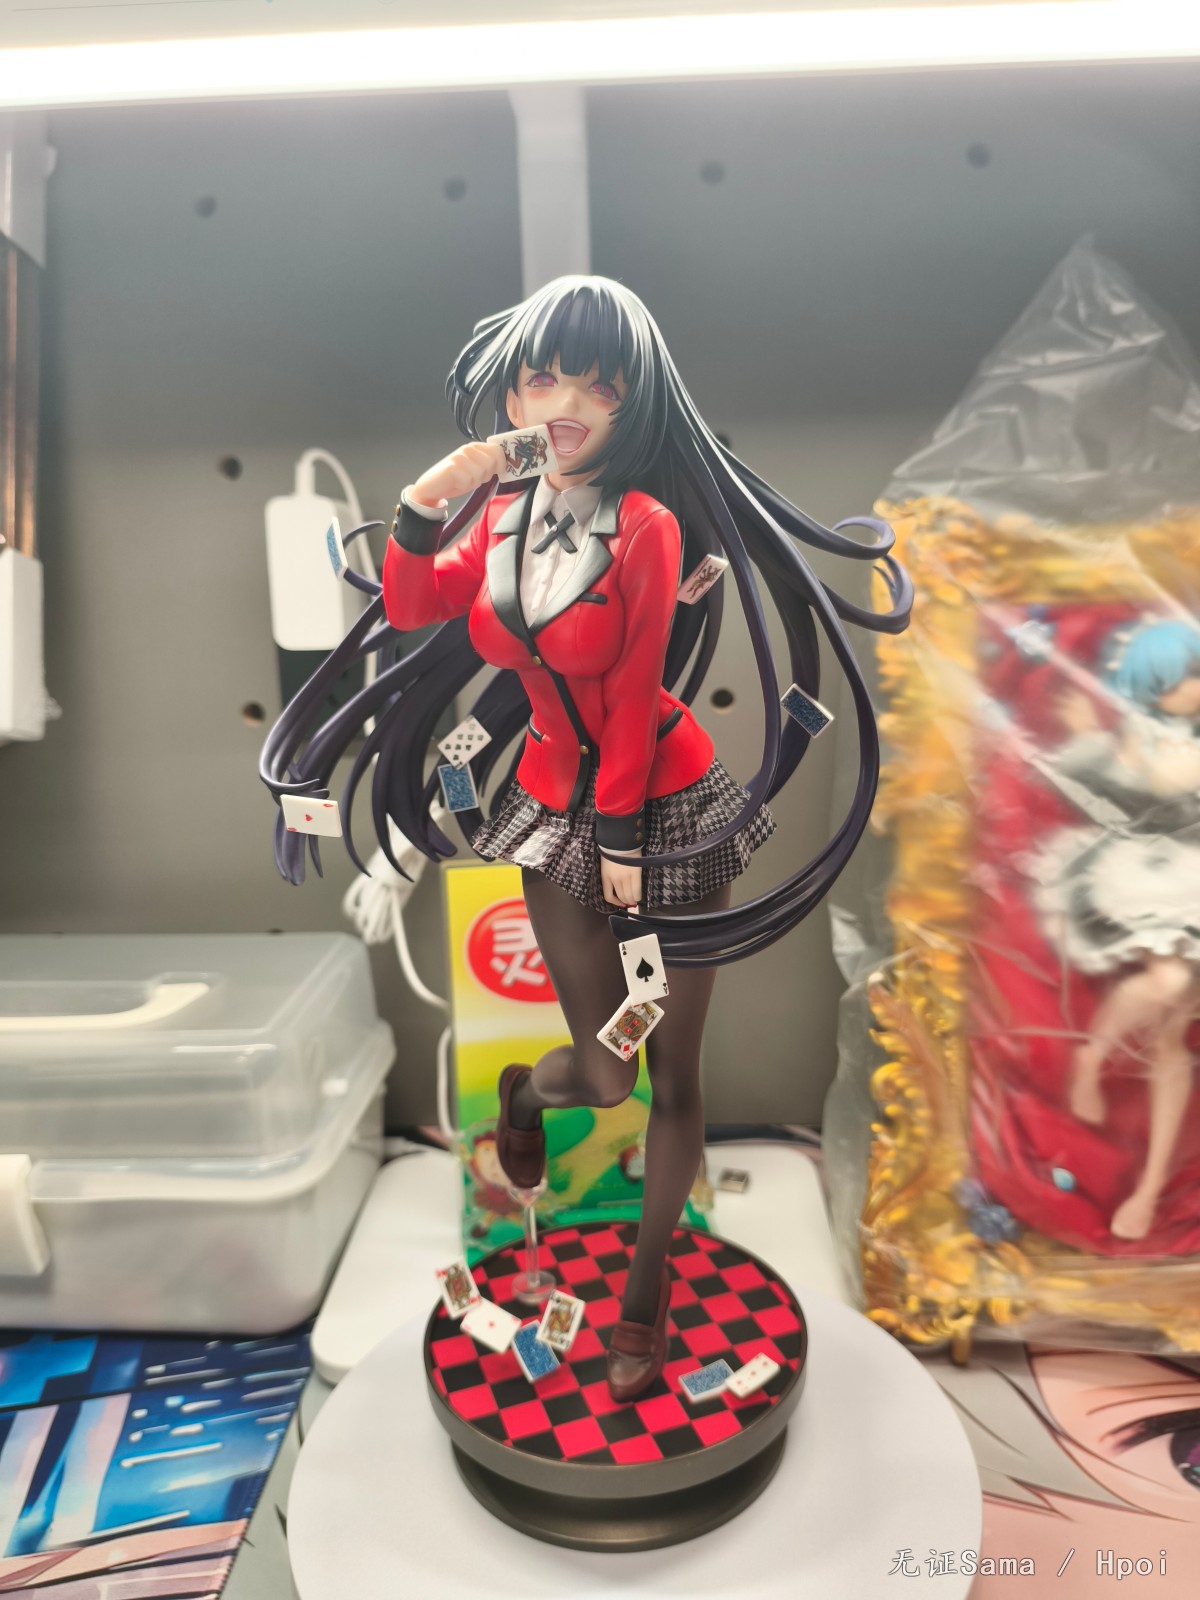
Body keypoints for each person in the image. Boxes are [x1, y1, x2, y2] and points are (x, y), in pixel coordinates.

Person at [261, 275, 910, 1399]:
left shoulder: (647, 528)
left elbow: (634, 695)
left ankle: (643, 1303)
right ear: (512, 392)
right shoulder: (499, 518)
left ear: (632, 404)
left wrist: (622, 845)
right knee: (607, 1075)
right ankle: (525, 1095)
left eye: (596, 386)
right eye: (541, 378)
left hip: (661, 808)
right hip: (553, 806)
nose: (563, 403)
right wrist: (427, 497)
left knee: (675, 1076)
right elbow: (412, 607)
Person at [1030, 617, 1200, 1240]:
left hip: (1191, 876)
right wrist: (1089, 737)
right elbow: (1126, 789)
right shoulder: (1141, 737)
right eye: (1178, 679)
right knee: (1166, 980)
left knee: (1174, 1038)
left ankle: (1148, 1191)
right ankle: (1093, 1055)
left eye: (1195, 673)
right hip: (1155, 874)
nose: (1192, 687)